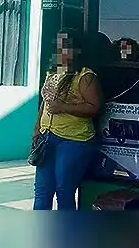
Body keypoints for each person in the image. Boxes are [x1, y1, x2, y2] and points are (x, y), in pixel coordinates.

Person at [32, 28, 103, 210]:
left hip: (74, 140)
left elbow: (94, 107)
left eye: (66, 46)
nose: (60, 50)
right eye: (58, 46)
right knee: (42, 191)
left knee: (64, 191)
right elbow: (45, 103)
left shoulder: (85, 76)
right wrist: (37, 130)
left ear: (77, 49)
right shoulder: (53, 72)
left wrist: (64, 107)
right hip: (47, 138)